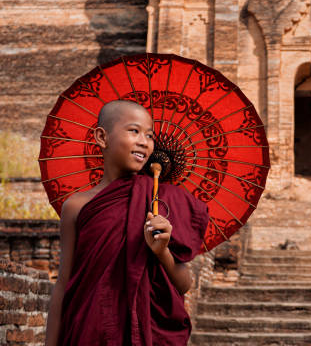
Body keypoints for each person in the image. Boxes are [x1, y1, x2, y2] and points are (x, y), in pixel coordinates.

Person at [45, 100, 209, 346]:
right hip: (89, 329)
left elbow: (184, 284)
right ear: (102, 137)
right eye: (134, 131)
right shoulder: (77, 206)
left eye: (150, 135)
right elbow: (63, 282)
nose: (144, 141)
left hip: (147, 334)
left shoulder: (163, 201)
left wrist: (162, 250)